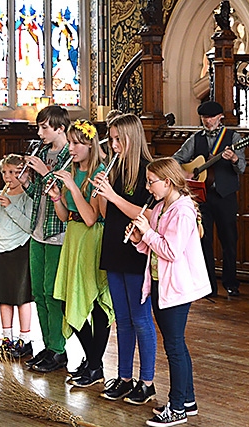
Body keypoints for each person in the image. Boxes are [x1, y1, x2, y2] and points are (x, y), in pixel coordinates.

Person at [127, 157, 210, 426]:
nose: (148, 187)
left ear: (168, 182)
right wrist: (140, 239)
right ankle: (187, 400)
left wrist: (147, 232)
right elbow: (156, 246)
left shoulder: (183, 211)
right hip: (159, 282)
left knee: (174, 346)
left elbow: (171, 251)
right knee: (176, 344)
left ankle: (177, 409)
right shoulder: (163, 206)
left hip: (176, 285)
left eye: (152, 182)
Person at [92, 114, 157, 404]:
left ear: (132, 137)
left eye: (118, 139)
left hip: (136, 250)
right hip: (113, 248)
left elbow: (145, 214)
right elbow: (107, 215)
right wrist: (102, 193)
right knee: (122, 318)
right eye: (112, 139)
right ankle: (124, 376)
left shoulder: (147, 171)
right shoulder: (115, 169)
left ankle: (147, 381)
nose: (114, 145)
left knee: (141, 319)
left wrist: (114, 196)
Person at [46, 119, 114, 388]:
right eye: (71, 143)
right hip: (73, 238)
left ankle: (95, 364)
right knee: (67, 299)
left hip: (92, 238)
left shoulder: (97, 172)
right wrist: (56, 197)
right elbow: (66, 216)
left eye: (76, 143)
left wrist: (72, 187)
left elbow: (90, 217)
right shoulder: (70, 170)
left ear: (90, 145)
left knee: (96, 302)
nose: (71, 148)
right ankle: (93, 360)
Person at [17, 105, 71, 374]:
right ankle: (48, 346)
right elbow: (37, 194)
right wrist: (26, 182)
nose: (40, 133)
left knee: (52, 293)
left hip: (57, 232)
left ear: (60, 128)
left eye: (44, 128)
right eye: (39, 128)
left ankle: (59, 350)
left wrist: (43, 172)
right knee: (37, 292)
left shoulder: (68, 155)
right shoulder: (41, 152)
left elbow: (62, 191)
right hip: (37, 230)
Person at [173, 100, 246, 297]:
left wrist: (234, 159)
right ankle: (208, 287)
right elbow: (175, 160)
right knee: (203, 241)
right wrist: (184, 173)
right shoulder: (195, 139)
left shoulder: (233, 137)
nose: (207, 121)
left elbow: (242, 169)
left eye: (211, 117)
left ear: (220, 116)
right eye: (204, 118)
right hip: (201, 197)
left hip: (225, 196)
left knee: (229, 240)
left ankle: (231, 283)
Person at [0, 154, 34, 360]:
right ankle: (6, 337)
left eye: (13, 172)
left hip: (20, 248)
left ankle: (25, 339)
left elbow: (29, 226)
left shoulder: (27, 197)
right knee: (4, 296)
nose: (8, 177)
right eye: (5, 172)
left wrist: (9, 207)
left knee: (21, 297)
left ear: (23, 173)